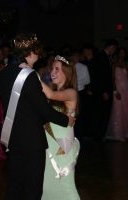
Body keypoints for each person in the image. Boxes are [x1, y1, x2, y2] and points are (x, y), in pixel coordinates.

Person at [0, 33, 74, 200]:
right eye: (36, 52)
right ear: (29, 53)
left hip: (13, 137)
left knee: (15, 184)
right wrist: (66, 119)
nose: (38, 56)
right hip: (32, 140)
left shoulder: (3, 74)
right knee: (33, 187)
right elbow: (43, 110)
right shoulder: (29, 75)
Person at [41, 55, 80, 200]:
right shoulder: (50, 95)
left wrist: (31, 75)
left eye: (57, 69)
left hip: (61, 146)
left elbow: (51, 94)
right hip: (48, 145)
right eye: (52, 68)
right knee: (47, 184)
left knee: (66, 185)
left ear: (67, 73)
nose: (53, 72)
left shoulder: (71, 92)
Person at [105, 48, 128, 141]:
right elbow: (112, 79)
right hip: (118, 89)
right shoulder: (114, 64)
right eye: (121, 52)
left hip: (126, 88)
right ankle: (118, 134)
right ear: (118, 54)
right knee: (118, 110)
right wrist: (115, 91)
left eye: (124, 53)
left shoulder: (127, 64)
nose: (122, 54)